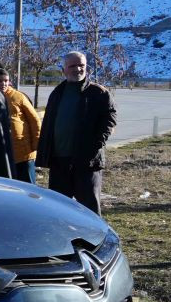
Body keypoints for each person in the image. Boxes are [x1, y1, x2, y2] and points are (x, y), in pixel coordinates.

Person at [37, 50, 117, 215]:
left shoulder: (99, 93)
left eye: (81, 65)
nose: (78, 69)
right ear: (64, 69)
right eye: (72, 65)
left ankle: (94, 239)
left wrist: (96, 144)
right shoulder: (57, 93)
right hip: (59, 162)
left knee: (89, 208)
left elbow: (110, 120)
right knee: (58, 207)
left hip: (86, 161)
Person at [0, 66, 43, 183]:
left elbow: (35, 120)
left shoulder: (18, 96)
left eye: (6, 81)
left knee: (28, 187)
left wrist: (36, 145)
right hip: (1, 154)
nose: (3, 83)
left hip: (24, 153)